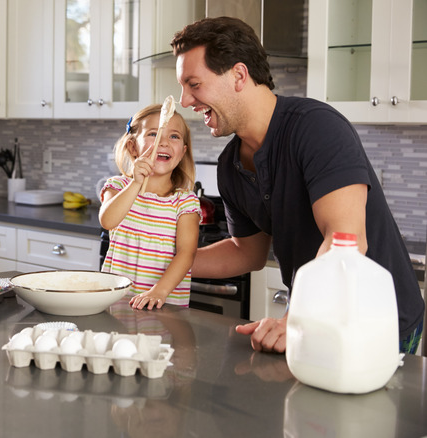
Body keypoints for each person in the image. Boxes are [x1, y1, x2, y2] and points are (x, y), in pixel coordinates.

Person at [171, 16, 425, 354]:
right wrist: (162, 256)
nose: (185, 101)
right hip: (313, 323)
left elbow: (346, 241)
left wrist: (297, 318)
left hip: (377, 324)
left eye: (194, 84)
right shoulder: (230, 165)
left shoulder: (316, 128)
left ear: (238, 75)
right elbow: (246, 252)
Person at [99, 104, 201, 310]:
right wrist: (136, 183)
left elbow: (186, 253)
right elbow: (108, 221)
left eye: (174, 136)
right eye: (154, 134)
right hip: (117, 302)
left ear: (182, 152)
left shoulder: (185, 202)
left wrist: (159, 290)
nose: (163, 142)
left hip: (162, 305)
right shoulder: (117, 187)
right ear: (132, 147)